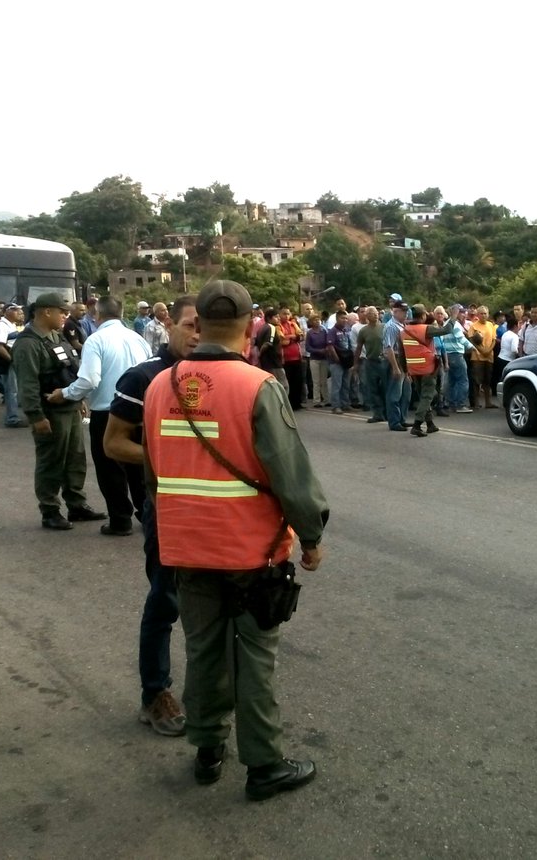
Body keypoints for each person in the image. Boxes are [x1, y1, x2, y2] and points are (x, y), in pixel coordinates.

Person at [142, 279, 328, 801]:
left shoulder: (162, 386)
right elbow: (291, 475)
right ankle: (264, 764)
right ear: (251, 326)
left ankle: (207, 749)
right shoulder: (258, 386)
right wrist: (311, 536)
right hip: (252, 551)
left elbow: (154, 475)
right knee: (255, 656)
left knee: (202, 650)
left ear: (196, 323)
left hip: (185, 548)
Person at [103, 294, 199, 738]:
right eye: (191, 325)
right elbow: (114, 443)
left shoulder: (224, 376)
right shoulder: (144, 377)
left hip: (219, 512)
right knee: (165, 601)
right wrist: (166, 462)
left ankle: (213, 692)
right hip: (165, 508)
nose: (198, 335)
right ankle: (154, 693)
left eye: (206, 326)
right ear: (169, 325)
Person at [50, 296, 151, 536]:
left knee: (110, 469)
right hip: (140, 411)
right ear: (122, 312)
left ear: (96, 314)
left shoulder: (96, 340)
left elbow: (89, 379)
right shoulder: (138, 339)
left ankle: (120, 519)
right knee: (139, 467)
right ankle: (147, 515)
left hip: (108, 412)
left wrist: (65, 393)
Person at [12, 293, 107, 530]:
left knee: (75, 459)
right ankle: (50, 510)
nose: (66, 315)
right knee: (51, 461)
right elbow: (28, 384)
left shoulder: (56, 336)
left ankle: (76, 504)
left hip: (69, 407)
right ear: (46, 312)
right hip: (50, 412)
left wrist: (78, 398)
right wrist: (36, 416)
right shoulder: (28, 343)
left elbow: (68, 370)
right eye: (61, 311)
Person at [401, 304, 455, 437]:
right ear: (423, 316)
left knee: (424, 396)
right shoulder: (426, 329)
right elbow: (446, 329)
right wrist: (453, 316)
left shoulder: (404, 331)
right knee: (428, 396)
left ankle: (430, 424)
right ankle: (417, 424)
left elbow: (402, 354)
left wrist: (405, 370)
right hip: (427, 369)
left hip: (413, 369)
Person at [0, 302, 26, 428]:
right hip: (9, 363)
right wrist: (12, 360)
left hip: (15, 360)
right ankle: (12, 418)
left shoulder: (11, 325)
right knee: (11, 390)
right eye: (16, 311)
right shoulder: (2, 326)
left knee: (15, 389)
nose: (19, 313)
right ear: (8, 312)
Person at [383, 300, 412, 432]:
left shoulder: (402, 325)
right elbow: (388, 348)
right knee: (395, 393)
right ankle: (394, 421)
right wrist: (395, 367)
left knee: (406, 393)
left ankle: (402, 419)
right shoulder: (391, 326)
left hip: (404, 361)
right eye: (403, 311)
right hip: (396, 360)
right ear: (395, 312)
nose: (405, 314)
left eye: (406, 311)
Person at [354, 306, 386, 424]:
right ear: (367, 316)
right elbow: (358, 348)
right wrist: (355, 364)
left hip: (383, 361)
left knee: (385, 388)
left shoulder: (385, 327)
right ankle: (377, 414)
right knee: (373, 389)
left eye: (376, 313)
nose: (375, 315)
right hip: (370, 362)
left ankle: (387, 413)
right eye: (372, 313)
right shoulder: (364, 331)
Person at [277, 308, 304, 410]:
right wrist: (293, 337)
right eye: (284, 314)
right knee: (288, 382)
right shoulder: (278, 326)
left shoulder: (293, 324)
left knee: (298, 382)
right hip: (286, 359)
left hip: (297, 357)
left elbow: (300, 335)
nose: (286, 316)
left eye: (288, 314)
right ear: (280, 315)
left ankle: (297, 403)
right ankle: (288, 404)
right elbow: (282, 340)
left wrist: (290, 337)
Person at [495, 315, 520, 393]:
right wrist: (519, 355)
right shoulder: (515, 336)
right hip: (508, 360)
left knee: (500, 378)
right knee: (507, 380)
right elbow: (514, 349)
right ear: (515, 326)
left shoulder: (505, 334)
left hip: (500, 358)